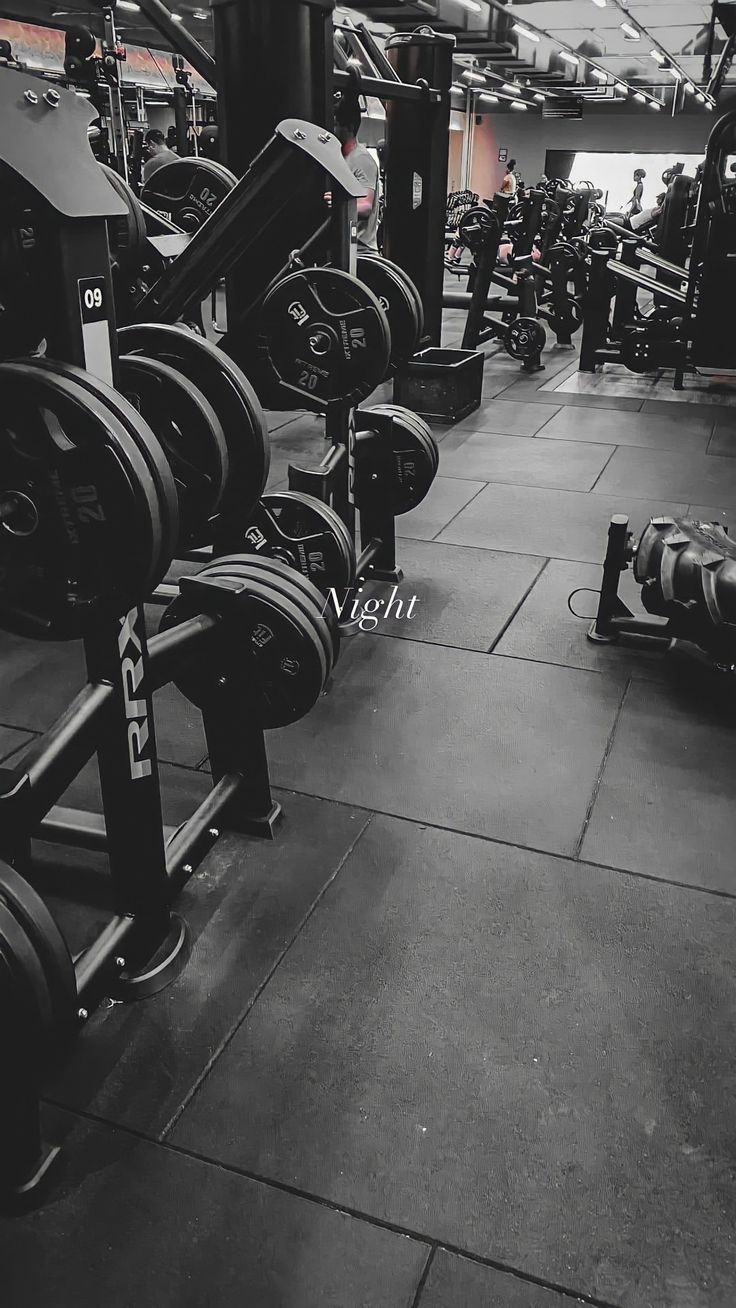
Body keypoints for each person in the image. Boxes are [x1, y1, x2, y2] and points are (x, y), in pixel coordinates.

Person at [333, 94, 380, 251]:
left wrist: (336, 204)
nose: (333, 130)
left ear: (350, 128)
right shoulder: (341, 158)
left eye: (336, 125)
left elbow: (366, 206)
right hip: (346, 246)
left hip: (361, 250)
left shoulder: (362, 159)